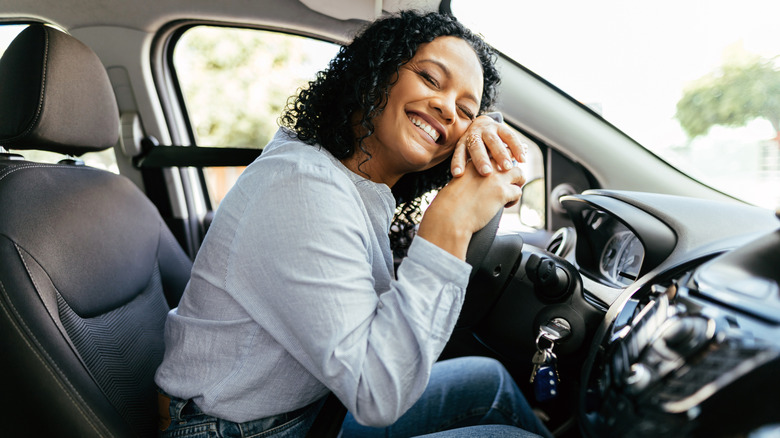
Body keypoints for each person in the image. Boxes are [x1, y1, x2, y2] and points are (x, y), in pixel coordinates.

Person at [155, 10, 552, 438]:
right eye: (431, 79)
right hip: (233, 430)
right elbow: (376, 395)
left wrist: (485, 128)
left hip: (311, 410)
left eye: (465, 110)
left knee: (488, 380)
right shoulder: (302, 187)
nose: (446, 109)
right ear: (376, 73)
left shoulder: (351, 182)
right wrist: (449, 225)